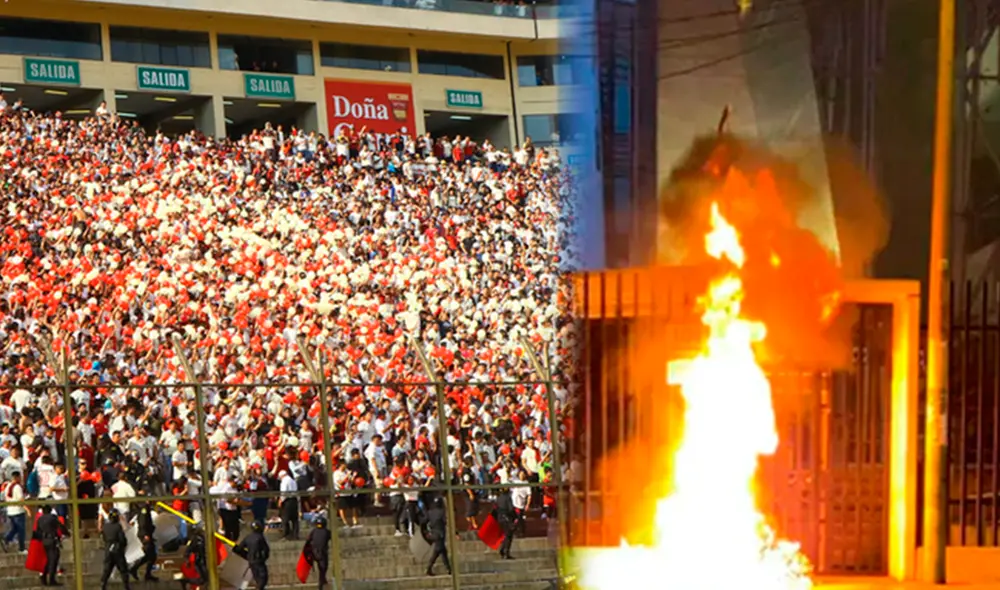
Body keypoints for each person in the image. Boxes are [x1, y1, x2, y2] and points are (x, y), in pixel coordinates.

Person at [100, 508, 131, 590]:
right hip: (117, 550)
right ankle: (126, 586)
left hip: (108, 549)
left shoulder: (105, 526)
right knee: (123, 569)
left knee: (107, 569)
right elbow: (122, 539)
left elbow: (104, 538)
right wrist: (123, 544)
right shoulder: (118, 526)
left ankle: (103, 585)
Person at [36, 504, 67, 586]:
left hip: (44, 541)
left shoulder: (40, 520)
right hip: (52, 540)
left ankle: (44, 576)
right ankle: (51, 579)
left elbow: (38, 531)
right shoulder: (52, 518)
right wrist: (66, 533)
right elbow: (60, 526)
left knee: (48, 559)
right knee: (53, 559)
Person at [234, 520, 270, 590]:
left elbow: (238, 549)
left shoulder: (248, 537)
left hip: (251, 561)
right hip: (259, 561)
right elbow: (266, 549)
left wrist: (247, 555)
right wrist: (264, 558)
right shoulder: (260, 537)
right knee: (263, 578)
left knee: (257, 578)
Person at [422, 496, 451, 576]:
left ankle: (449, 569)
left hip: (433, 533)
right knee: (437, 551)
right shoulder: (442, 512)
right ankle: (428, 568)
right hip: (440, 534)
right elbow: (444, 521)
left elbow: (424, 521)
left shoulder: (430, 512)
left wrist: (426, 532)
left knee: (443, 551)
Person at [129, 502, 158, 581]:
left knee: (151, 555)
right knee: (149, 554)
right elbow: (143, 522)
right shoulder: (144, 508)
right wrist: (145, 534)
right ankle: (134, 569)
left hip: (147, 534)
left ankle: (143, 572)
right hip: (145, 535)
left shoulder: (145, 508)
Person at [305, 517, 331, 590]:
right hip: (321, 553)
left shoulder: (314, 531)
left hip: (314, 552)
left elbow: (308, 540)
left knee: (322, 567)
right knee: (323, 568)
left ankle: (323, 580)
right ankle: (321, 584)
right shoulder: (327, 532)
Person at [3, 471, 26, 552]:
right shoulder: (17, 487)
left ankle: (6, 539)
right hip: (18, 511)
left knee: (15, 529)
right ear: (17, 477)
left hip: (10, 511)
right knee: (21, 531)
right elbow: (21, 500)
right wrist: (27, 509)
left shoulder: (7, 486)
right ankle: (22, 548)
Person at [496, 486, 517, 560]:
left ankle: (503, 550)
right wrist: (515, 516)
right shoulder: (508, 498)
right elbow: (510, 509)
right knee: (508, 536)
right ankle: (505, 552)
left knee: (505, 535)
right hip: (507, 518)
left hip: (500, 518)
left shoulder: (499, 498)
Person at [278, 469, 299, 540]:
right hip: (294, 500)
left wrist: (281, 500)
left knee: (285, 519)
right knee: (295, 519)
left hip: (287, 501)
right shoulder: (293, 480)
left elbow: (284, 492)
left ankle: (286, 534)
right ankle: (295, 535)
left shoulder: (284, 481)